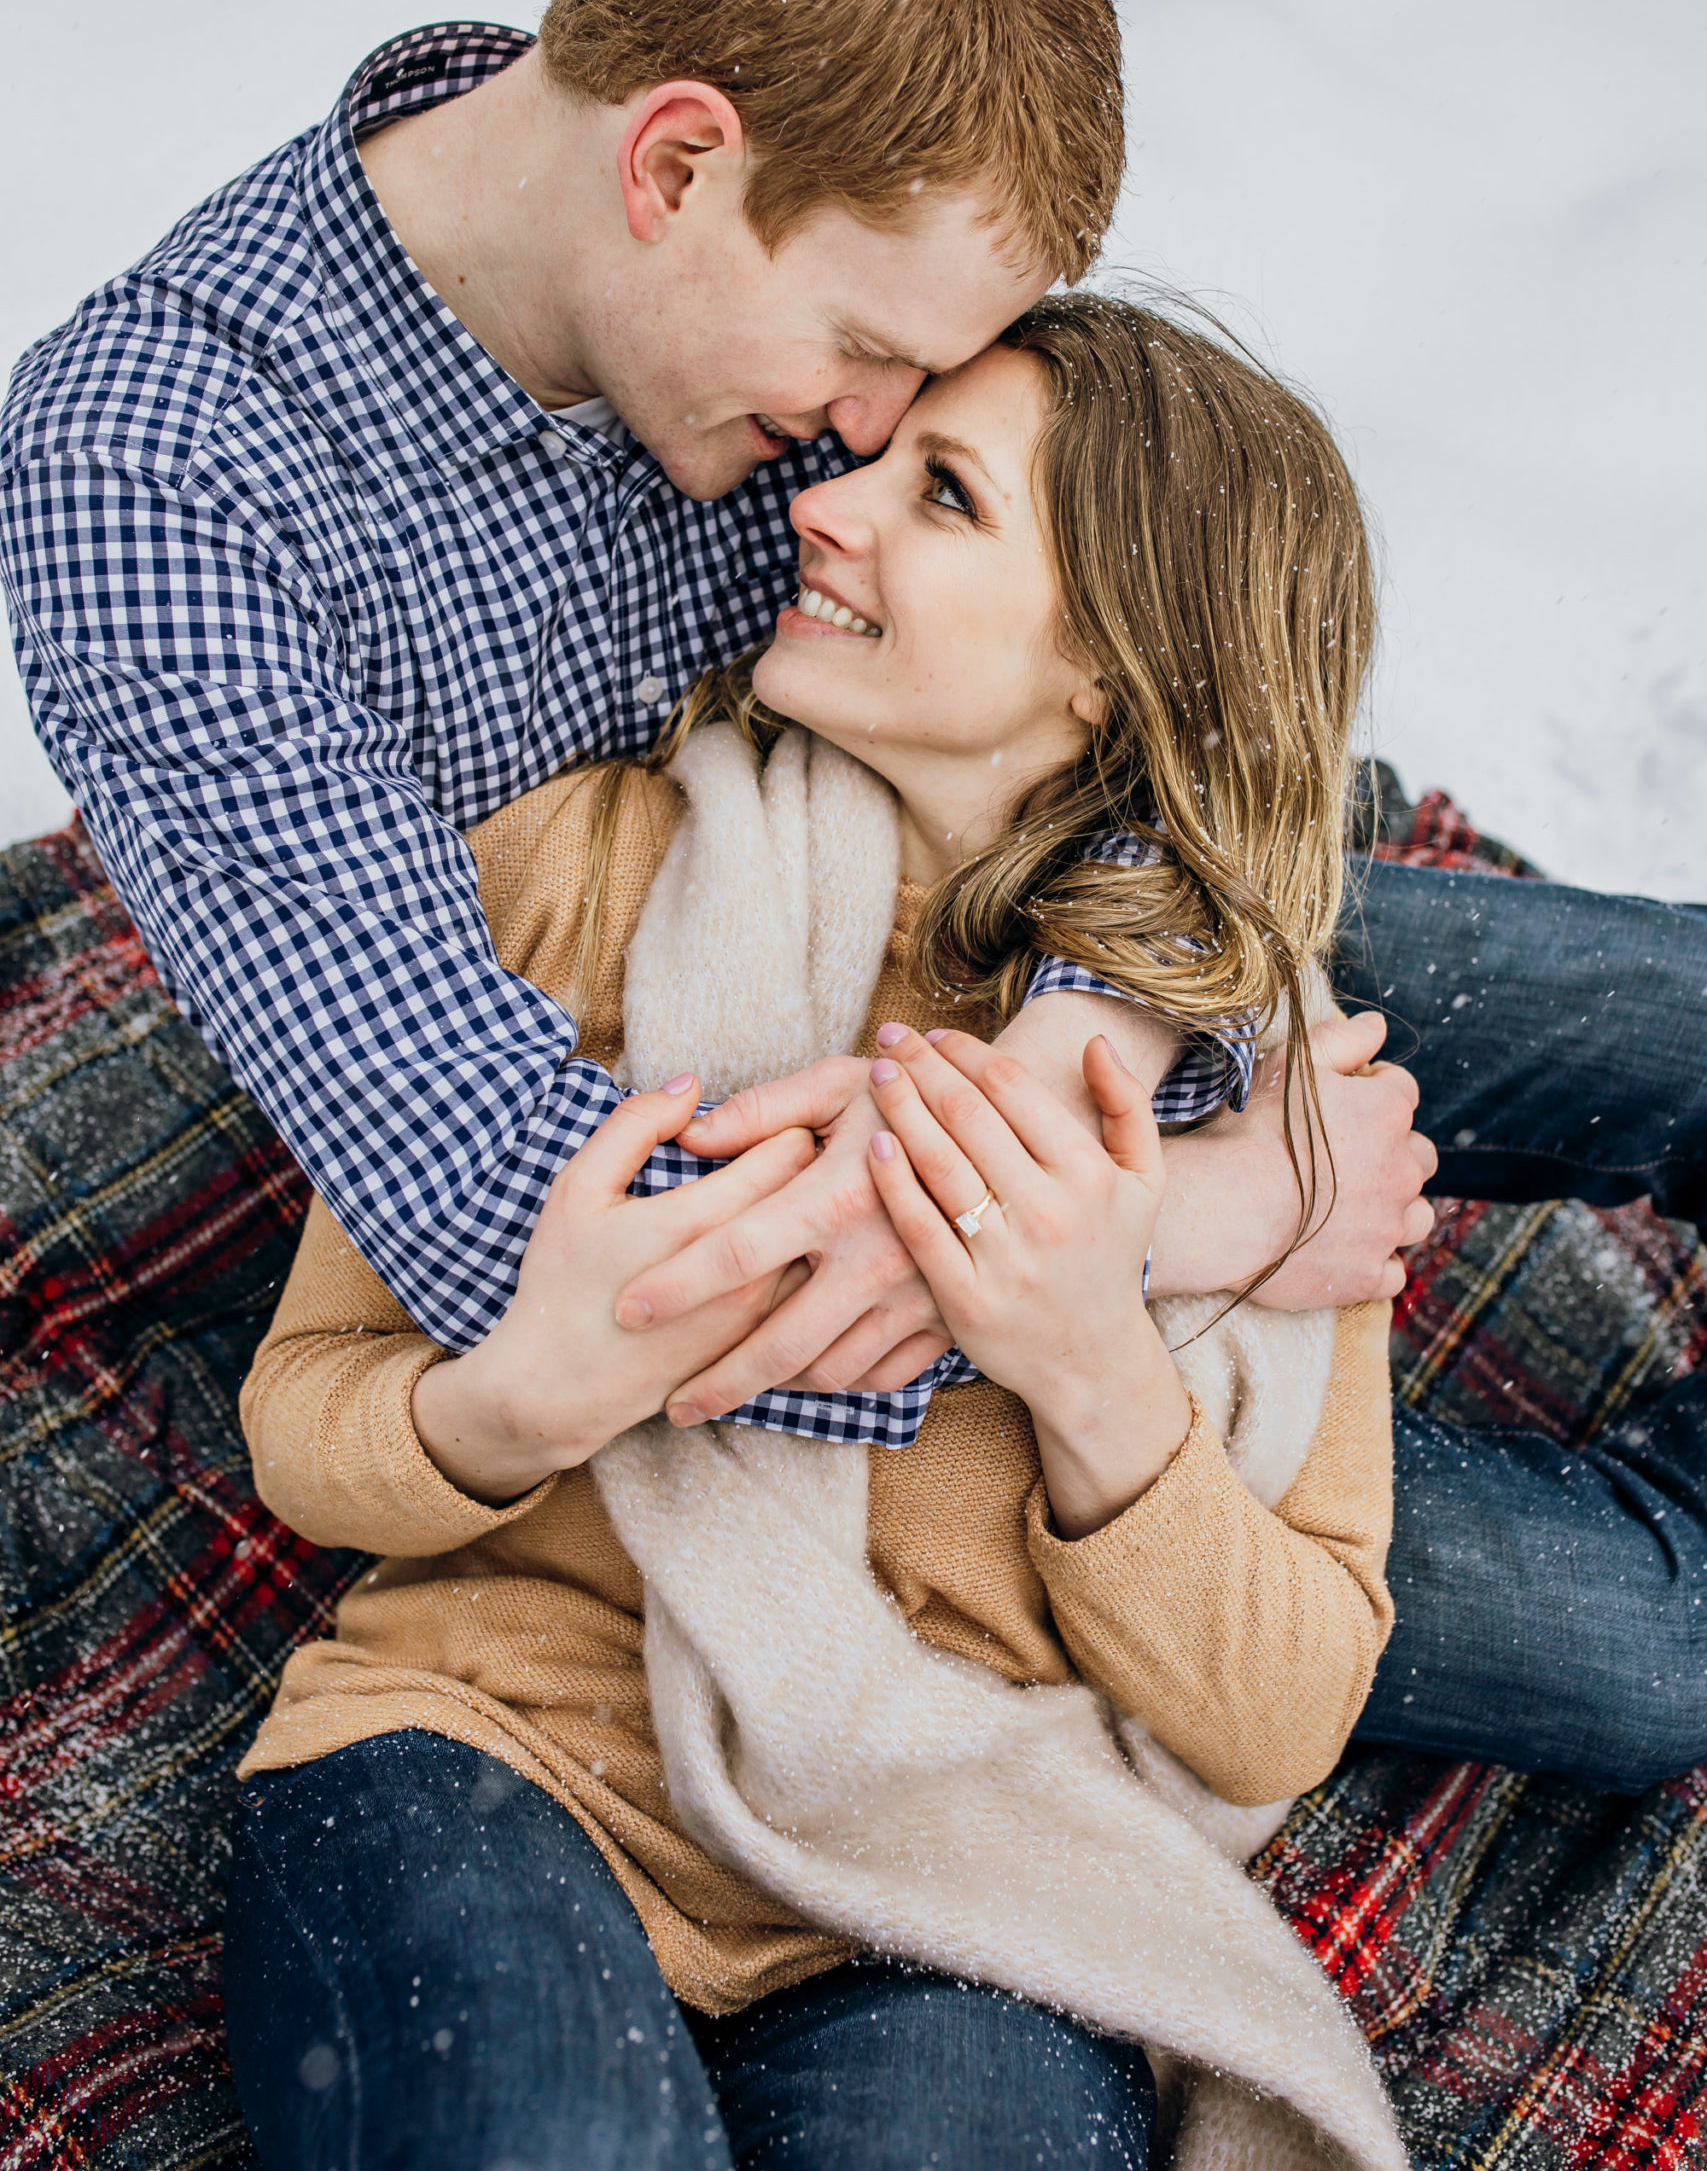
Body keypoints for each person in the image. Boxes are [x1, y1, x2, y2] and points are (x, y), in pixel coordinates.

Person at [2, 0, 1702, 1783]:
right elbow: (501, 1208)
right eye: (865, 363)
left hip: (988, 918)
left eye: (926, 389)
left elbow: (1111, 596)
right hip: (681, 1188)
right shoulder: (163, 473)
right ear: (673, 165)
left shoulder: (813, 175)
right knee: (1634, 1658)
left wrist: (1099, 1008)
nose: (873, 434)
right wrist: (1153, 1217)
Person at [225, 301, 1402, 2171]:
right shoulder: (581, 867)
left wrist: (1093, 1368)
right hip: (491, 1753)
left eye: (939, 494)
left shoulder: (1248, 1086)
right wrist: (523, 1402)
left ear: (1108, 664)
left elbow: (1285, 1712)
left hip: (948, 1876)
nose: (829, 506)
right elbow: (306, 1415)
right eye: (872, 458)